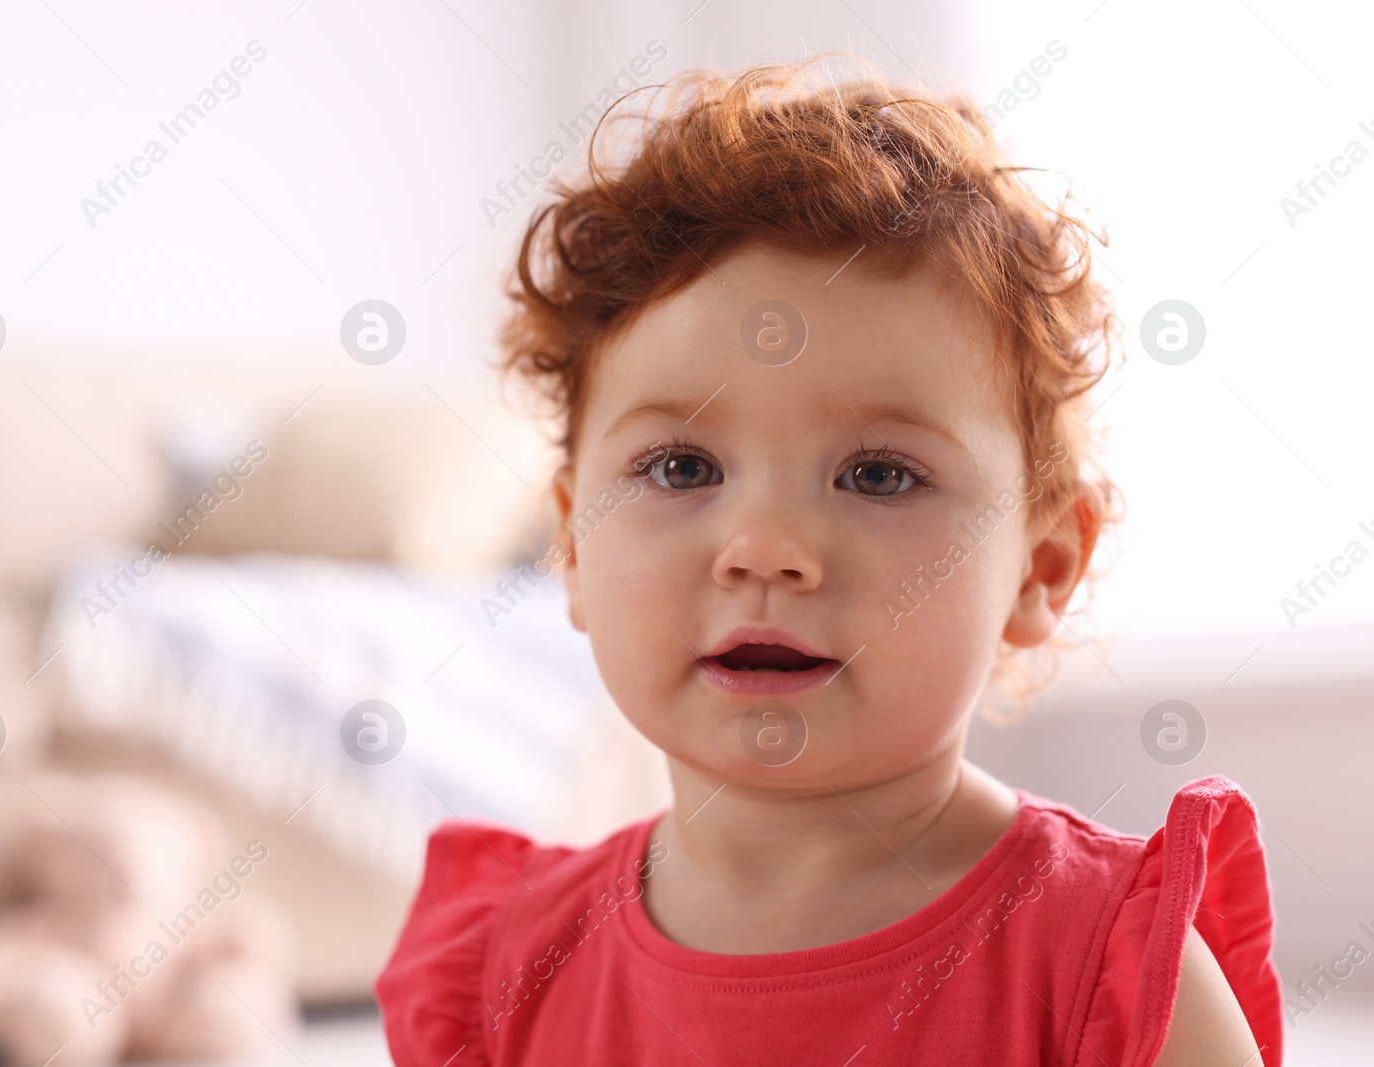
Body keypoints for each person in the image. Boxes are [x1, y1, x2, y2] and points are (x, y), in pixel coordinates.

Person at [376, 58, 1283, 1066]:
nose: (766, 548)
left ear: (1041, 565)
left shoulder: (1106, 968)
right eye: (682, 465)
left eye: (879, 475)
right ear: (575, 547)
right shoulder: (508, 973)